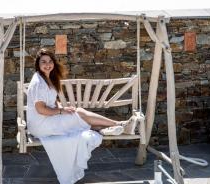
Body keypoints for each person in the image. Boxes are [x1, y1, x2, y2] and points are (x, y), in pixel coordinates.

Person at [26, 48, 135, 184]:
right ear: (38, 64)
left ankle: (106, 128)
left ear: (53, 63)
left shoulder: (48, 79)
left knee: (78, 115)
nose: (47, 64)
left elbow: (53, 101)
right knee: (80, 113)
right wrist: (62, 112)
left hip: (48, 119)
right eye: (43, 62)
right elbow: (41, 109)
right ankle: (120, 124)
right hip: (40, 124)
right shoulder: (38, 83)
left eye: (50, 61)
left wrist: (62, 108)